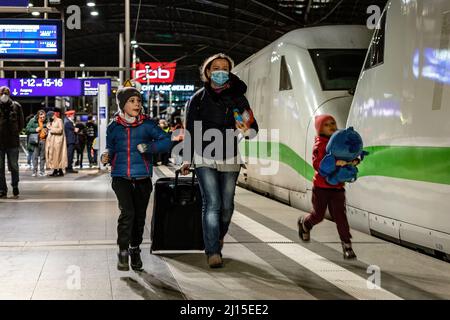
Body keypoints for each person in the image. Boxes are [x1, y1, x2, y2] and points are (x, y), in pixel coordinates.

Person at [180, 53, 258, 268]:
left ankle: (218, 234)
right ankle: (213, 250)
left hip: (230, 154)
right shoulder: (198, 98)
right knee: (212, 203)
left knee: (227, 206)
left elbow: (253, 128)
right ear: (207, 72)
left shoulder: (238, 98)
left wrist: (247, 128)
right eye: (216, 68)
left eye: (225, 68)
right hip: (204, 155)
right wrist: (187, 158)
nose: (221, 72)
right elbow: (191, 131)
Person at [101, 87, 171, 271]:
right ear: (122, 104)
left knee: (139, 217)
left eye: (139, 101)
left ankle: (135, 249)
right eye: (132, 101)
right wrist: (106, 154)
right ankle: (123, 251)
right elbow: (110, 147)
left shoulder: (148, 124)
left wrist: (149, 147)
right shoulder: (114, 126)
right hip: (120, 177)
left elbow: (166, 141)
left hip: (142, 178)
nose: (137, 104)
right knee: (127, 213)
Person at [297, 114, 357, 259]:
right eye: (327, 124)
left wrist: (354, 161)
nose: (331, 126)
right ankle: (305, 223)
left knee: (340, 217)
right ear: (320, 129)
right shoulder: (320, 145)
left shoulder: (340, 142)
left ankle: (347, 245)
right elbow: (317, 163)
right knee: (318, 216)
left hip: (337, 187)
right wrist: (335, 162)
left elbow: (349, 155)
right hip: (321, 188)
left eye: (333, 123)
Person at [0, 86, 24, 198]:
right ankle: (2, 189)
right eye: (2, 92)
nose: (4, 94)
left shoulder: (16, 106)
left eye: (5, 92)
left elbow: (21, 123)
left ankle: (15, 186)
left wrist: (14, 133)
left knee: (14, 166)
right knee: (0, 167)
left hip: (13, 141)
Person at [25, 110, 48, 177]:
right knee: (35, 157)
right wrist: (35, 130)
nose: (43, 118)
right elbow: (27, 130)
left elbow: (47, 129)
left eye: (44, 117)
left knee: (43, 157)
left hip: (43, 140)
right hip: (36, 141)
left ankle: (42, 171)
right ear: (38, 116)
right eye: (41, 117)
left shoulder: (46, 121)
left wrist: (47, 131)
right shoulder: (32, 121)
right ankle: (34, 172)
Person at [45, 111, 68, 177]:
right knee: (54, 157)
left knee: (58, 156)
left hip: (58, 142)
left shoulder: (59, 120)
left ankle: (58, 170)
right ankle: (57, 170)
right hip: (52, 141)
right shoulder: (51, 122)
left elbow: (60, 130)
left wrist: (50, 128)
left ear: (53, 115)